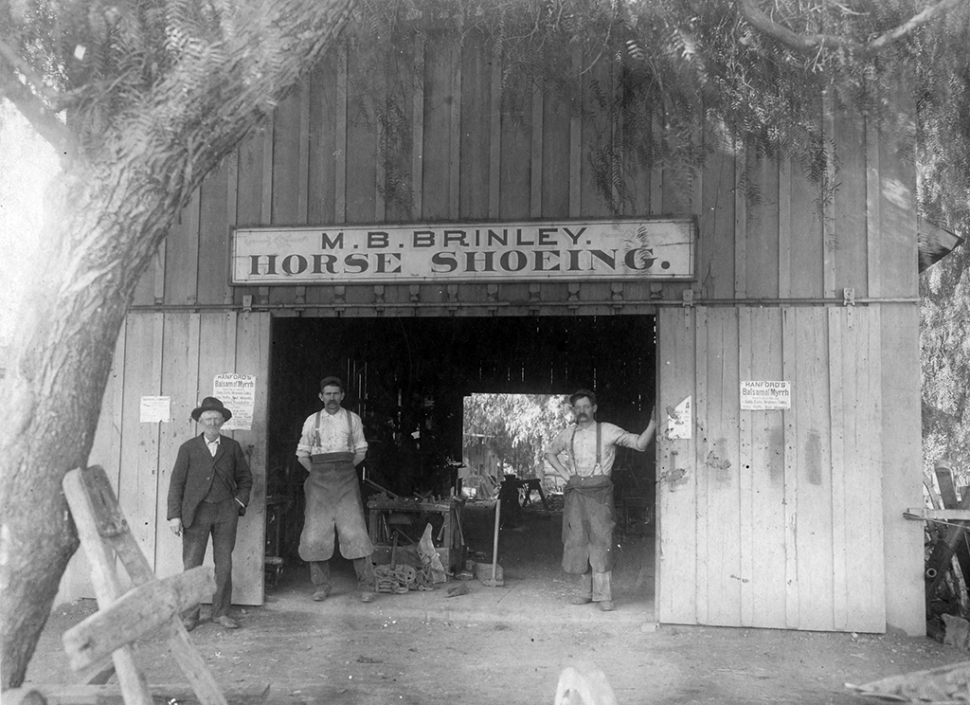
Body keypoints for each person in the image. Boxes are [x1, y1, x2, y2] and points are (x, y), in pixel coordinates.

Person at [543, 389, 656, 612]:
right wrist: (566, 475)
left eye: (586, 406)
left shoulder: (607, 430)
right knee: (577, 541)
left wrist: (652, 424)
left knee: (602, 542)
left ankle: (604, 595)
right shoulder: (568, 434)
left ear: (594, 408)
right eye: (578, 407)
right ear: (573, 410)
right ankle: (585, 593)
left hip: (600, 495)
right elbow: (549, 453)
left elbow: (639, 444)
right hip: (576, 494)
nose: (582, 411)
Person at [167, 397, 253, 631]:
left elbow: (245, 479)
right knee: (192, 565)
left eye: (217, 418)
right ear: (200, 421)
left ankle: (221, 613)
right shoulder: (188, 448)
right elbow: (176, 483)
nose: (212, 422)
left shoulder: (232, 447)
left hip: (225, 512)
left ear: (223, 421)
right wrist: (174, 515)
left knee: (224, 564)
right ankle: (190, 616)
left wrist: (238, 502)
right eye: (208, 418)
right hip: (196, 513)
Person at [296, 376, 377, 603]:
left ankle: (367, 586)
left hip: (346, 481)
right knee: (316, 533)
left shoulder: (353, 419)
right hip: (318, 482)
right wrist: (317, 473)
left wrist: (343, 469)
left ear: (342, 396)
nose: (331, 398)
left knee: (355, 531)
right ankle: (321, 586)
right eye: (327, 394)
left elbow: (361, 451)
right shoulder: (312, 421)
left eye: (335, 394)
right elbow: (302, 455)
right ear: (321, 397)